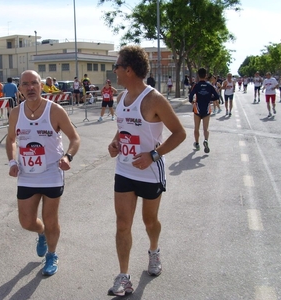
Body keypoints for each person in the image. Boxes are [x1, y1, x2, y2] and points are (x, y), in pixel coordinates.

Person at [107, 46, 186, 297]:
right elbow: (123, 127)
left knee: (149, 221)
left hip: (150, 172)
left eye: (117, 66)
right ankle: (123, 276)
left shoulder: (154, 99)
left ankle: (154, 251)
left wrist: (154, 155)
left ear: (128, 69)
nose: (115, 71)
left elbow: (180, 133)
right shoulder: (121, 98)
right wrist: (115, 142)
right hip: (125, 171)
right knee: (122, 224)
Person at [6, 70, 80, 276]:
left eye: (34, 83)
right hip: (27, 173)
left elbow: (75, 138)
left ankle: (52, 254)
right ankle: (41, 234)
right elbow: (11, 139)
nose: (30, 88)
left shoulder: (54, 110)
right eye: (25, 84)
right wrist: (12, 161)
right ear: (20, 89)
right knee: (26, 222)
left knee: (51, 219)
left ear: (41, 86)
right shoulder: (15, 113)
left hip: (51, 172)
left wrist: (68, 157)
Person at [189, 68, 219, 153]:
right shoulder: (210, 86)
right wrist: (209, 98)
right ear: (206, 75)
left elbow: (191, 96)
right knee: (206, 128)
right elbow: (217, 96)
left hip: (197, 109)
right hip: (206, 108)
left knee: (196, 128)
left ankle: (197, 144)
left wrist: (192, 102)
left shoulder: (196, 85)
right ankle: (206, 140)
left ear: (198, 75)